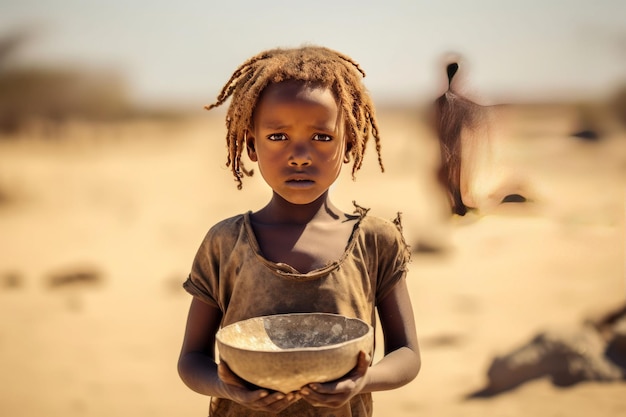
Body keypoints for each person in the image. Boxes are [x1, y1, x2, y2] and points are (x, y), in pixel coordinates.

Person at [177, 45, 421, 417]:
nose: (300, 155)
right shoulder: (225, 243)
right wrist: (228, 388)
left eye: (322, 138)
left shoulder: (376, 241)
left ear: (349, 144)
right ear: (251, 145)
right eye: (278, 137)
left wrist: (363, 381)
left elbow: (407, 355)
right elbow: (191, 360)